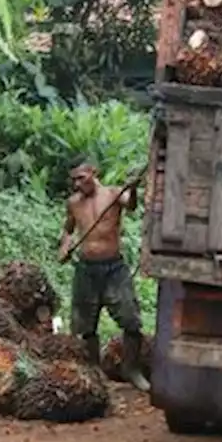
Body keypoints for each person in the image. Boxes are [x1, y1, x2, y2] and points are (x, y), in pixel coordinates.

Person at [58, 161, 151, 392]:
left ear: (94, 173)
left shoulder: (112, 194)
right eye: (74, 180)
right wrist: (65, 247)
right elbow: (68, 229)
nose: (77, 184)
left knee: (131, 319)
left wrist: (134, 188)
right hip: (86, 270)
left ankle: (131, 369)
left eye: (81, 177)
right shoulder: (73, 203)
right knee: (84, 326)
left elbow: (129, 205)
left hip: (114, 268)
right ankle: (94, 373)